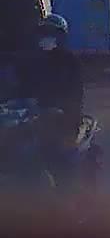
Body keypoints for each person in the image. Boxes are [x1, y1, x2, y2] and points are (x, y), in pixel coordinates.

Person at [16, 14, 84, 189]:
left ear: (61, 37)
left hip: (64, 119)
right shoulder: (30, 62)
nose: (47, 37)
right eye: (44, 33)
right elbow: (20, 88)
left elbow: (76, 94)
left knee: (62, 158)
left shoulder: (70, 62)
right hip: (33, 117)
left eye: (52, 33)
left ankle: (68, 194)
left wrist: (62, 109)